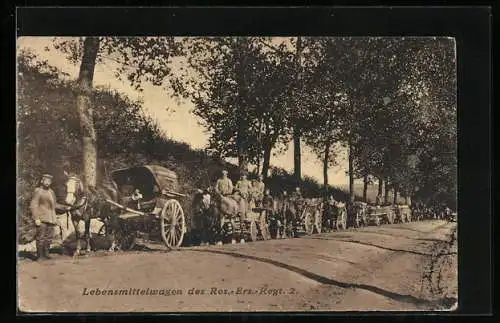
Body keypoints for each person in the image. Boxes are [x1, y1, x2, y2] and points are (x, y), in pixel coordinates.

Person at [30, 174, 58, 261]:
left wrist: (67, 207)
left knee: (49, 237)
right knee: (40, 237)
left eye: (49, 181)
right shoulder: (38, 191)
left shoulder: (51, 192)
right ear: (42, 181)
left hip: (51, 218)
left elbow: (55, 205)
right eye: (46, 180)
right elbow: (33, 205)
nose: (47, 183)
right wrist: (36, 218)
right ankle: (39, 256)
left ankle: (46, 254)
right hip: (41, 218)